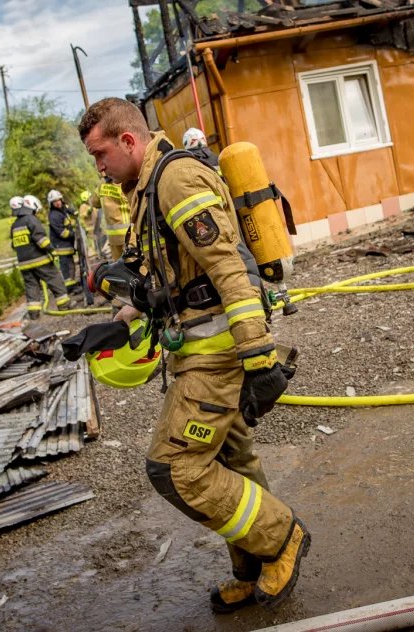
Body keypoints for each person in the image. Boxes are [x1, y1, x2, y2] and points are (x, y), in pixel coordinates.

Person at [78, 98, 308, 613]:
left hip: (219, 351)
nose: (99, 168)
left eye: (100, 154)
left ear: (128, 141)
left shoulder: (176, 179)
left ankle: (280, 538)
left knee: (175, 467)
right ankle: (253, 568)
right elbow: (166, 279)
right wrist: (116, 324)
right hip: (198, 345)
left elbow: (228, 270)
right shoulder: (144, 189)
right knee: (230, 459)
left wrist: (259, 356)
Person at [12, 195, 69, 318]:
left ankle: (34, 314)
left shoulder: (15, 225)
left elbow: (14, 246)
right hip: (40, 260)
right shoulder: (31, 220)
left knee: (31, 287)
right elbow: (41, 239)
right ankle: (64, 306)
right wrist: (51, 251)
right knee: (55, 279)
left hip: (23, 264)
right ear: (33, 208)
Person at [46, 190, 80, 293]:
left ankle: (72, 285)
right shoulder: (54, 216)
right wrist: (75, 234)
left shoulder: (62, 211)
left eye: (59, 200)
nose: (58, 203)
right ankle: (70, 288)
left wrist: (72, 210)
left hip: (66, 246)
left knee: (71, 266)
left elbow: (72, 212)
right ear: (51, 203)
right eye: (55, 201)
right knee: (67, 268)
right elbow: (62, 233)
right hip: (61, 247)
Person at [98, 173, 130, 261]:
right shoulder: (123, 179)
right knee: (134, 263)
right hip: (129, 233)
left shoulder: (102, 183)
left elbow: (94, 202)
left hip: (113, 236)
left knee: (118, 265)